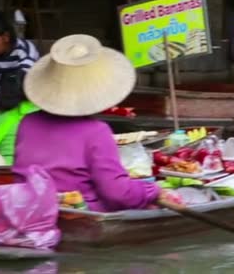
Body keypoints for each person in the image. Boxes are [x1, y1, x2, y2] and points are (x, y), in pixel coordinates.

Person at [12, 34, 174, 212]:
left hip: (30, 211)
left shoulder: (27, 123)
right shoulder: (96, 132)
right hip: (81, 216)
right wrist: (154, 191)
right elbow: (117, 193)